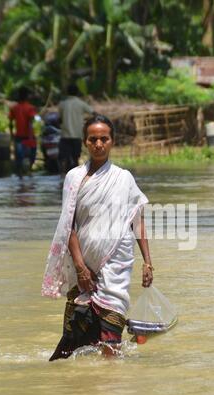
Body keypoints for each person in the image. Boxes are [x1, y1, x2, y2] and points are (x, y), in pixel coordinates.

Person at [42, 113, 153, 360]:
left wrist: (147, 261)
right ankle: (82, 389)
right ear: (85, 142)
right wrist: (81, 267)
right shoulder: (73, 178)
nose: (99, 144)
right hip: (83, 263)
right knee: (72, 349)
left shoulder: (123, 178)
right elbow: (67, 225)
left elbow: (137, 220)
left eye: (104, 138)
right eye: (93, 139)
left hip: (117, 264)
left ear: (112, 141)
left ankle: (109, 386)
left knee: (111, 341)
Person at [58, 84, 94, 175]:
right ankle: (74, 177)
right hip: (77, 135)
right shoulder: (81, 104)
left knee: (64, 159)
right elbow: (93, 112)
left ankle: (63, 177)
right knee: (75, 158)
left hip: (65, 136)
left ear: (67, 92)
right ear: (77, 93)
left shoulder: (62, 104)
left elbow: (60, 119)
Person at [9, 86, 37, 178]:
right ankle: (29, 171)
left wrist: (11, 134)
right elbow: (31, 122)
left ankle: (20, 175)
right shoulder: (30, 108)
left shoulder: (14, 108)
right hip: (29, 136)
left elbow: (10, 122)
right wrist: (31, 137)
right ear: (27, 96)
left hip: (18, 136)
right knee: (32, 155)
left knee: (19, 157)